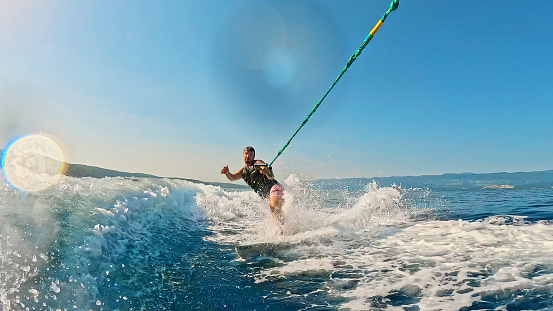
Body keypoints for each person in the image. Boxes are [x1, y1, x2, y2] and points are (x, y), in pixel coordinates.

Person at [221, 146, 285, 224]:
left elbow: (270, 176)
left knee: (274, 208)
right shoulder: (243, 172)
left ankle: (283, 231)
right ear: (243, 155)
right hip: (266, 195)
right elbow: (233, 178)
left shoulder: (257, 163)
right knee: (275, 213)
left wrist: (266, 170)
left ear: (254, 156)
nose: (248, 156)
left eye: (251, 154)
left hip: (274, 188)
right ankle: (288, 229)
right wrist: (227, 173)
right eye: (246, 154)